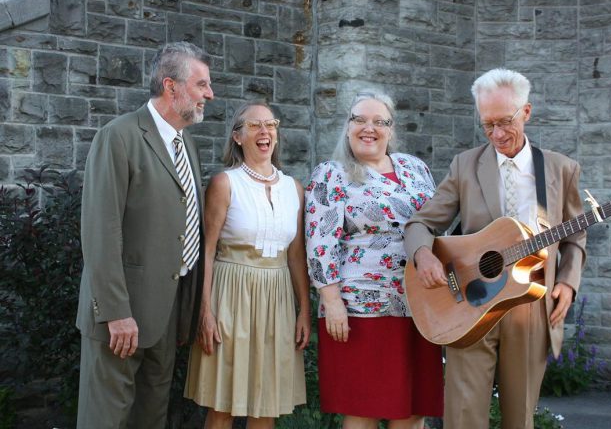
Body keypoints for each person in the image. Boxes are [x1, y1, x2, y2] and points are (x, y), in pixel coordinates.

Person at [404, 68, 587, 429]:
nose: (497, 134)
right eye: (488, 125)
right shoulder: (465, 165)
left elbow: (575, 234)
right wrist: (422, 254)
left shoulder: (561, 169)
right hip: (470, 302)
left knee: (519, 418)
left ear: (527, 112)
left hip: (531, 302)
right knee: (463, 417)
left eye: (505, 122)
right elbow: (421, 224)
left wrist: (568, 281)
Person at [76, 41, 212, 428]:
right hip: (121, 316)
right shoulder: (118, 136)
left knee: (151, 418)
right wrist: (116, 313)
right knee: (106, 419)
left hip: (166, 315)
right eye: (201, 84)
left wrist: (184, 312)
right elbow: (101, 231)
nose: (209, 94)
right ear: (172, 87)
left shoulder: (186, 144)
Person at [305, 90, 444, 429]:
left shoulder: (416, 168)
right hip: (359, 310)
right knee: (363, 408)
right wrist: (331, 300)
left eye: (379, 121)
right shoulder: (332, 174)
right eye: (359, 120)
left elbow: (437, 224)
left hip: (419, 305)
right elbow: (320, 242)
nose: (369, 128)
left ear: (391, 130)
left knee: (413, 408)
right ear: (347, 126)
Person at [184, 100, 310, 429]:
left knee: (264, 403)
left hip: (277, 298)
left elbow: (296, 255)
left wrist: (304, 311)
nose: (264, 131)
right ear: (238, 137)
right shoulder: (225, 184)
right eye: (254, 125)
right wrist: (204, 311)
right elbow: (206, 250)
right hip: (230, 295)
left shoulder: (293, 189)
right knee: (223, 403)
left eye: (270, 125)